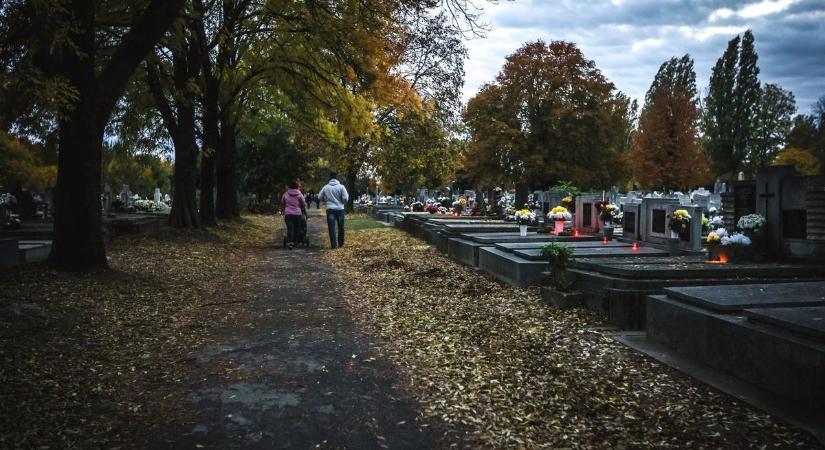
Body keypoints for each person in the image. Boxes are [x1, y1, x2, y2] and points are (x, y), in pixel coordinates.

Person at [318, 172, 348, 249]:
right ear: (336, 178)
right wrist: (342, 202)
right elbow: (345, 198)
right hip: (340, 209)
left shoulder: (326, 187)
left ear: (330, 178)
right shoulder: (341, 187)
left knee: (331, 227)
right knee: (341, 226)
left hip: (330, 209)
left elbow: (319, 197)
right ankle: (341, 243)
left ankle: (333, 245)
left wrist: (326, 200)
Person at [281, 180, 307, 249]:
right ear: (297, 187)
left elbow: (282, 202)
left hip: (288, 213)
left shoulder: (285, 194)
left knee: (290, 228)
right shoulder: (299, 194)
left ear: (289, 186)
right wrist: (301, 207)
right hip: (297, 214)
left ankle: (290, 242)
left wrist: (284, 209)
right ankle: (295, 241)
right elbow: (303, 204)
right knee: (297, 228)